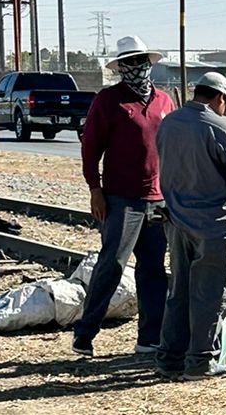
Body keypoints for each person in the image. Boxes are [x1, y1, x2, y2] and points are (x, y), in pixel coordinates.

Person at [73, 35, 175, 359]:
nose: (136, 67)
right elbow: (90, 148)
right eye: (129, 62)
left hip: (158, 200)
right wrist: (95, 189)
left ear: (149, 63)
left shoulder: (164, 101)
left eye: (140, 61)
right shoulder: (108, 101)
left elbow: (173, 148)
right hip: (121, 199)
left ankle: (150, 338)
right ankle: (85, 334)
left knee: (153, 270)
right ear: (120, 68)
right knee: (112, 265)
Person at [154, 72, 226, 382]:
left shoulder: (169, 123)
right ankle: (200, 361)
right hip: (215, 225)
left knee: (180, 291)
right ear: (220, 98)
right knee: (211, 294)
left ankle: (170, 358)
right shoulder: (220, 127)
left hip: (177, 221)